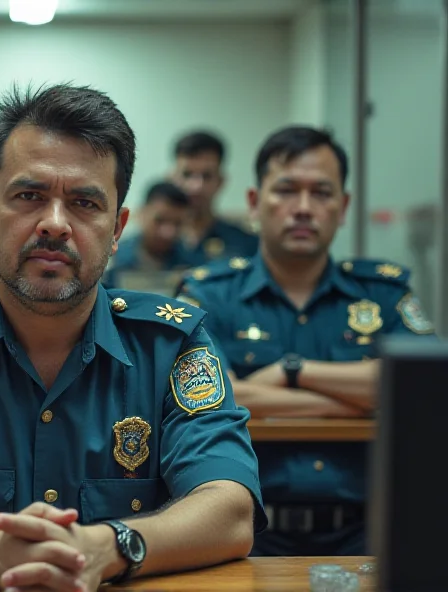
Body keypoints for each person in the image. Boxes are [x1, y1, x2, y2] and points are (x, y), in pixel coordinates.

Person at [0, 83, 265, 591]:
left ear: (117, 228)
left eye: (85, 203)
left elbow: (229, 509)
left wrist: (109, 548)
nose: (53, 224)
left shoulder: (173, 343)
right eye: (29, 196)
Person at [176, 126, 438, 557]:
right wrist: (363, 396)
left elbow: (423, 390)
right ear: (255, 203)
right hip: (244, 536)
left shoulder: (384, 293)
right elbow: (212, 398)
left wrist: (291, 372)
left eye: (321, 193)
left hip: (370, 536)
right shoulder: (208, 295)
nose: (303, 208)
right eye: (286, 190)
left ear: (344, 206)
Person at [171, 131, 258, 265]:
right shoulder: (149, 245)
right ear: (173, 178)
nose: (196, 186)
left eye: (207, 176)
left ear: (221, 181)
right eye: (187, 175)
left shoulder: (246, 245)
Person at [102, 181, 192, 292]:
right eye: (160, 221)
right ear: (142, 214)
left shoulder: (192, 265)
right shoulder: (112, 259)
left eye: (177, 224)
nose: (168, 232)